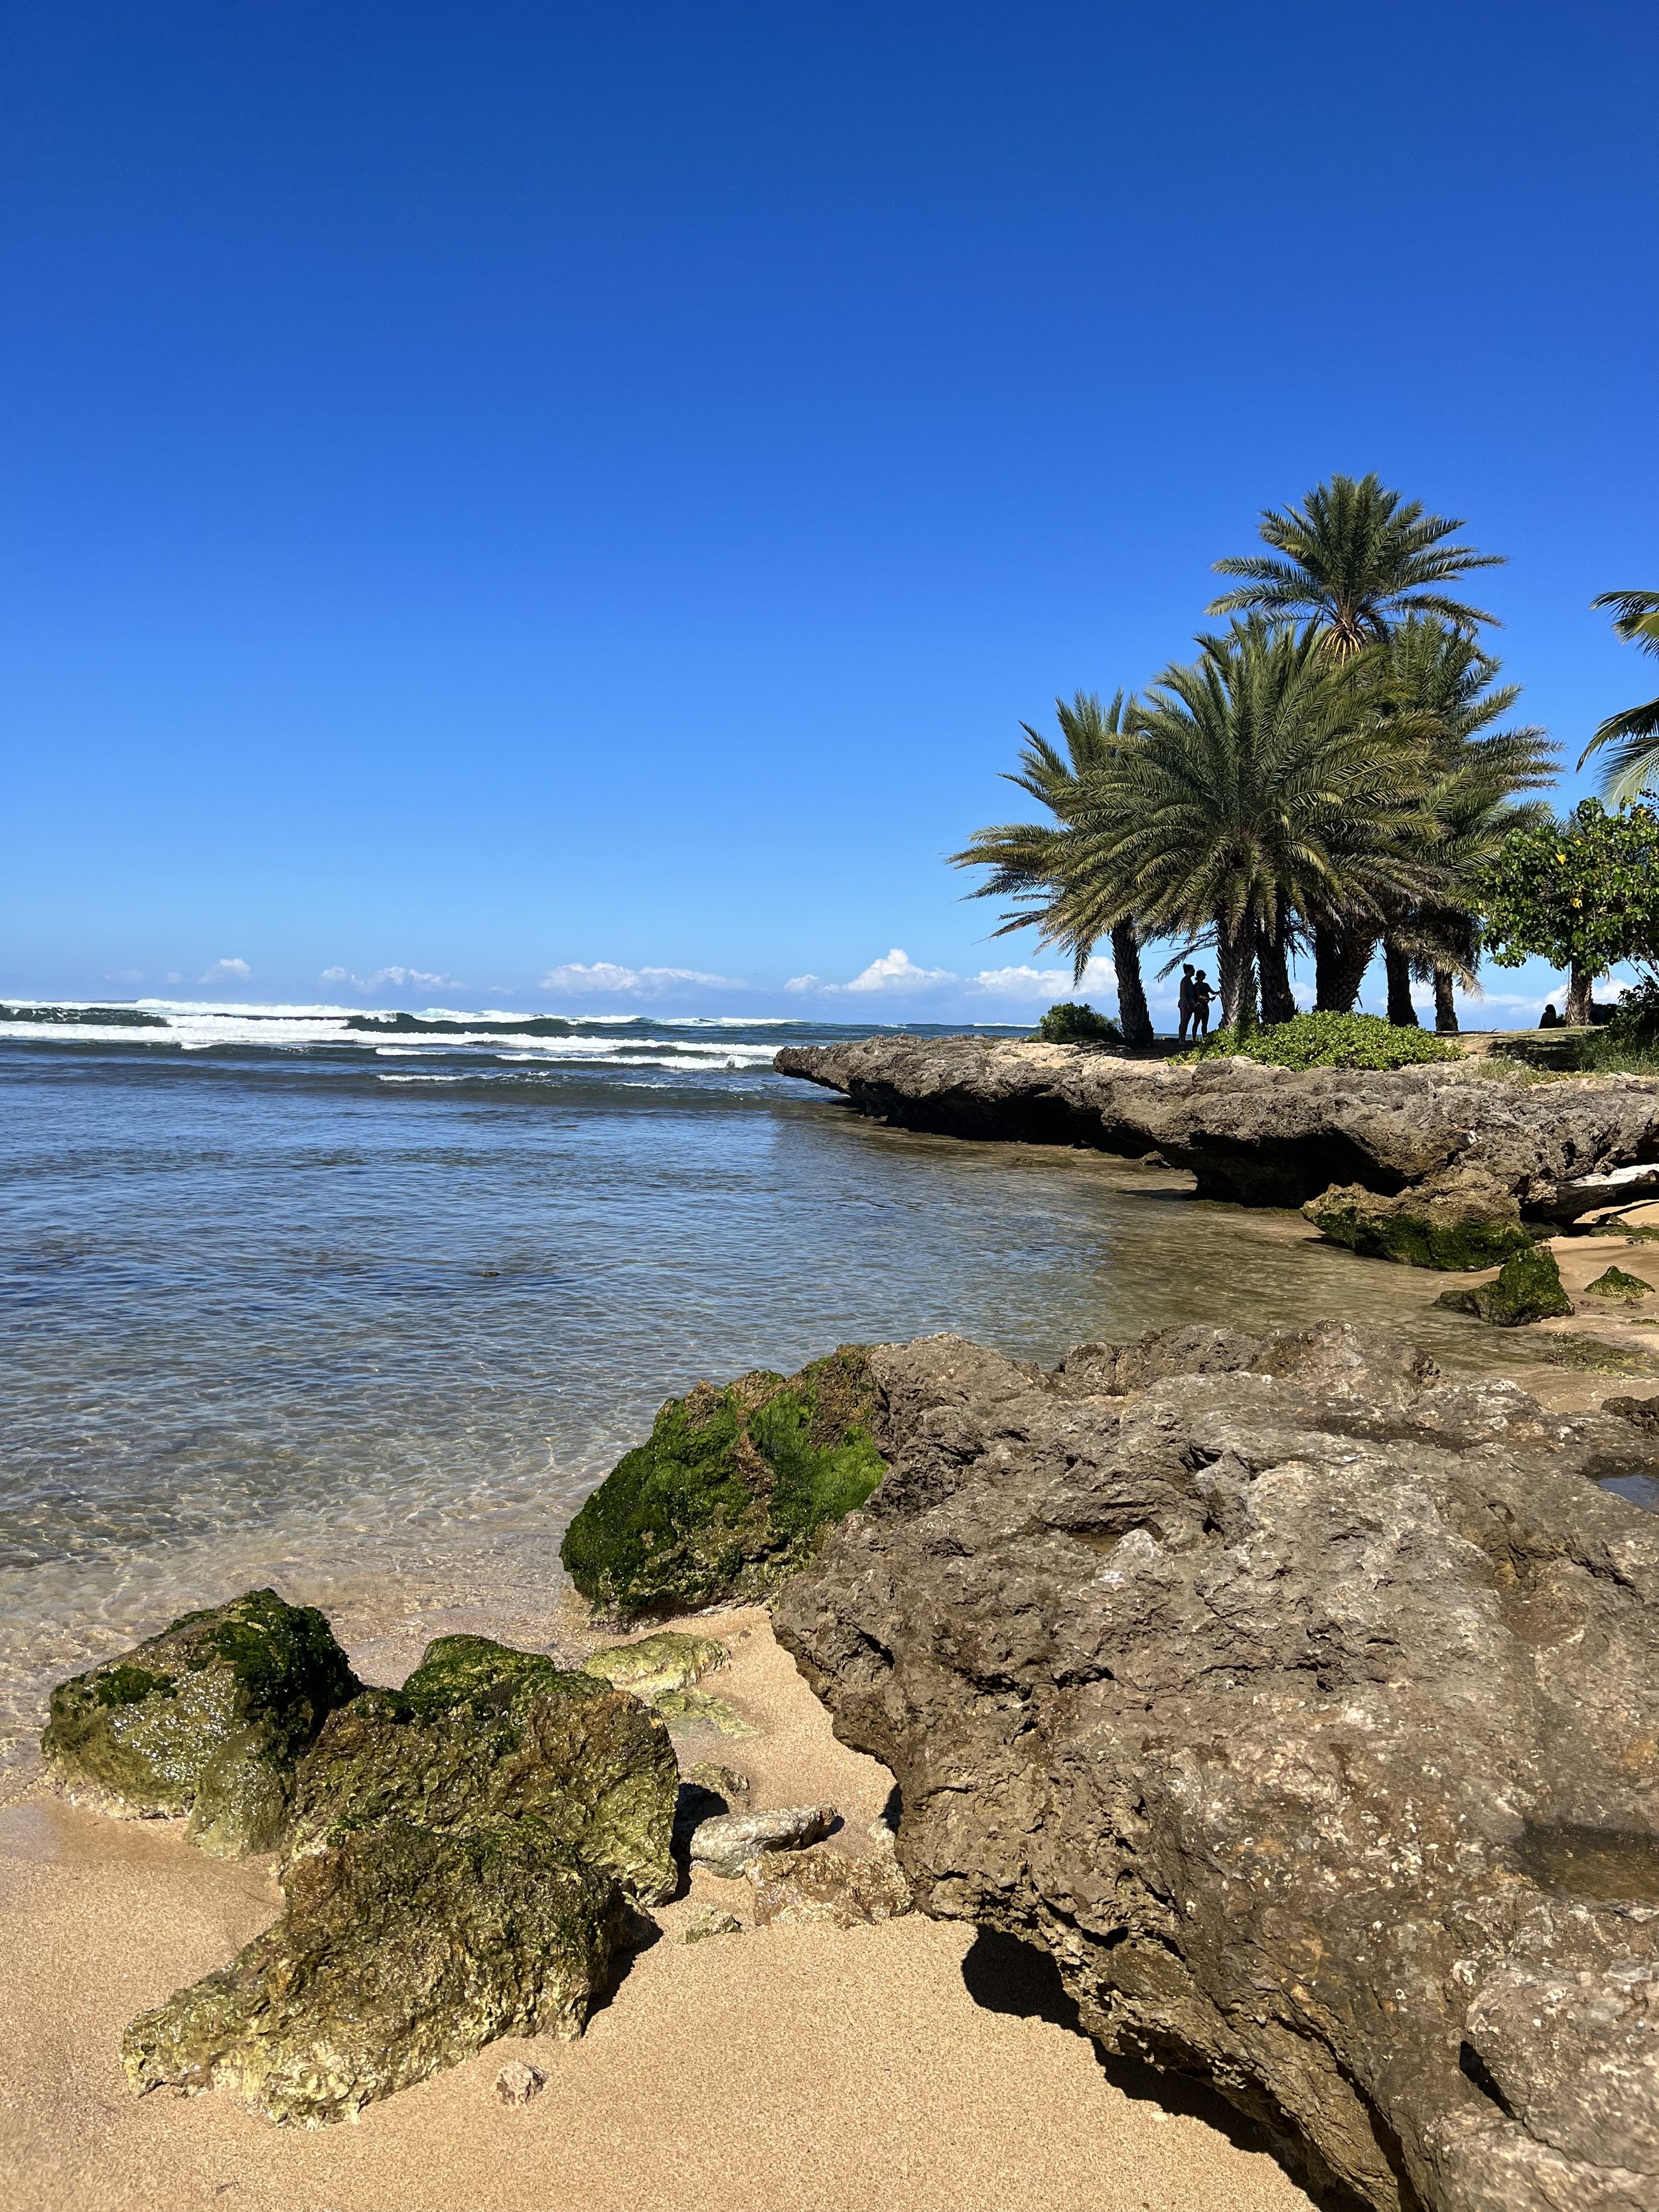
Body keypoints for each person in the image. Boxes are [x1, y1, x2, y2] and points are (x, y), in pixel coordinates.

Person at [1177, 964, 1196, 1042]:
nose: (1194, 971)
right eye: (1192, 969)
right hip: (1185, 1003)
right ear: (1188, 971)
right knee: (1184, 1021)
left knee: (1186, 1021)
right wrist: (1188, 1003)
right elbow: (1183, 993)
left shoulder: (1189, 980)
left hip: (1188, 1003)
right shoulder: (1185, 980)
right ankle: (1181, 1039)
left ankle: (1183, 1039)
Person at [1191, 970, 1214, 1037]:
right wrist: (1208, 999)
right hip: (1199, 1005)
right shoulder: (1197, 985)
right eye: (1202, 975)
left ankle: (1204, 1037)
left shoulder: (1206, 985)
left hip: (1206, 1005)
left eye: (1204, 975)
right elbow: (1198, 995)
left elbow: (1212, 992)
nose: (1204, 976)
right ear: (1199, 976)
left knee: (1205, 1023)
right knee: (1197, 1022)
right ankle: (1194, 1039)